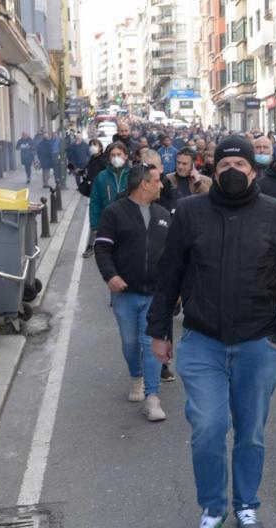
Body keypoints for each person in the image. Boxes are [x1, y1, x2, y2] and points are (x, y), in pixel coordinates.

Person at [147, 136, 276, 528]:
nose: (232, 171)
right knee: (207, 428)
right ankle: (213, 508)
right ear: (213, 170)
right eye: (224, 165)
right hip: (203, 341)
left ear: (253, 170)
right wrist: (159, 330)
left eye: (240, 165)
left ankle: (247, 505)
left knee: (251, 433)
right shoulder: (189, 212)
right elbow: (170, 273)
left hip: (258, 344)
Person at [94, 163, 171, 421]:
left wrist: (175, 288)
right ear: (144, 184)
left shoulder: (163, 215)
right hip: (125, 294)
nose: (161, 186)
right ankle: (136, 376)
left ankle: (152, 397)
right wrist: (111, 276)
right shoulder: (114, 213)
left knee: (151, 343)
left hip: (156, 294)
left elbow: (174, 255)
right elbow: (102, 248)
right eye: (157, 181)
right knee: (130, 343)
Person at [86, 142, 131, 259]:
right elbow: (95, 202)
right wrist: (95, 226)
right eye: (113, 155)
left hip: (129, 224)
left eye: (119, 154)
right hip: (107, 224)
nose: (116, 157)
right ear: (109, 157)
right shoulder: (101, 177)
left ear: (126, 156)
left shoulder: (133, 175)